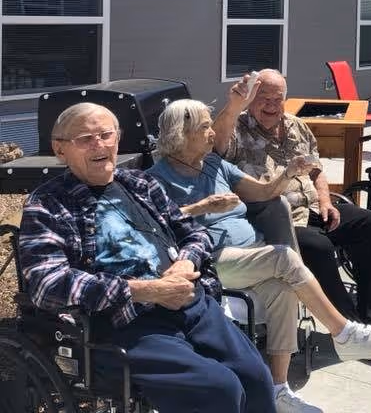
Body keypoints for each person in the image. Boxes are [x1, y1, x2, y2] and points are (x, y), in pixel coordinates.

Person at [18, 103, 277, 413]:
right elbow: (47, 284)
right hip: (126, 322)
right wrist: (144, 290)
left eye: (105, 135)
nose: (99, 145)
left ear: (118, 138)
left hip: (191, 302)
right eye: (85, 138)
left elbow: (195, 234)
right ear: (60, 150)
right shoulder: (47, 203)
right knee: (218, 389)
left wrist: (186, 261)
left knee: (257, 378)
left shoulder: (141, 184)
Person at [150, 99, 371, 411]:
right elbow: (157, 225)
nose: (213, 132)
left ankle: (278, 391)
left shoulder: (214, 164)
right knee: (284, 257)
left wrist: (287, 174)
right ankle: (344, 332)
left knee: (283, 291)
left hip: (251, 254)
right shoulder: (155, 178)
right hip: (213, 260)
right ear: (181, 133)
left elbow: (263, 192)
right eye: (205, 127)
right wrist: (202, 207)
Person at [213, 69, 371, 336]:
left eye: (277, 99)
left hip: (312, 208)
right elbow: (216, 143)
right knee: (319, 247)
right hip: (272, 219)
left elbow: (317, 170)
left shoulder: (295, 125)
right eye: (263, 98)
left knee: (370, 223)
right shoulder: (237, 129)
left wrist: (326, 201)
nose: (271, 105)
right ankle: (349, 327)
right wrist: (233, 105)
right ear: (251, 98)